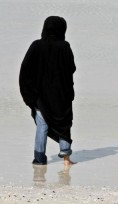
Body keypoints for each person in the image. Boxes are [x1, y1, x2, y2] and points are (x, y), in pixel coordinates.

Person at [19, 16, 76, 166]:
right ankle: (66, 158)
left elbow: (25, 69)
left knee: (42, 125)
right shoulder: (64, 46)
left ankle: (39, 159)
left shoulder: (36, 46)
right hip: (61, 95)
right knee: (64, 123)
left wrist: (30, 94)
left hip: (40, 96)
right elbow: (71, 68)